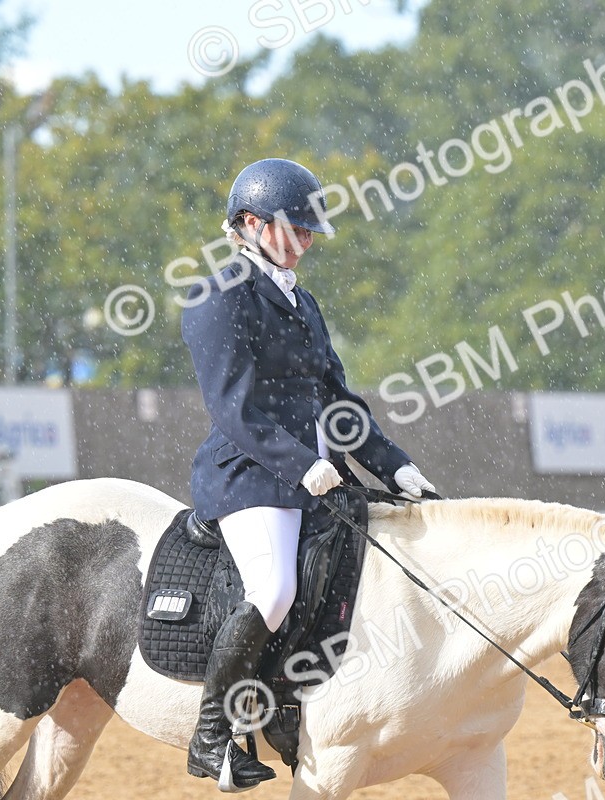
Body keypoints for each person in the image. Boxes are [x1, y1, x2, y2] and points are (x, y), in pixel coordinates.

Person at [181, 158, 435, 791]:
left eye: (309, 229)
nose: (308, 240)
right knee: (273, 592)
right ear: (250, 224)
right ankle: (211, 738)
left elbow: (337, 401)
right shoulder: (218, 294)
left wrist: (394, 466)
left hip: (316, 475)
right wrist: (305, 465)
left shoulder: (301, 300)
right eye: (296, 228)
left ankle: (291, 705)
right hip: (250, 477)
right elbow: (234, 408)